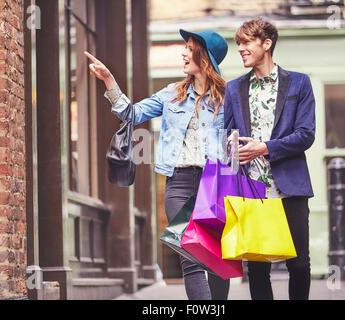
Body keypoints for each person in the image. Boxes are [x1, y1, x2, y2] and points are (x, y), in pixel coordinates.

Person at [85, 29, 230, 300]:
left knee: (216, 261)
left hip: (215, 182)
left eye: (190, 47)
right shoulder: (172, 93)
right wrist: (109, 80)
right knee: (191, 257)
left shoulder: (227, 98)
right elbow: (131, 113)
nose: (183, 52)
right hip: (179, 183)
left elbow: (241, 139)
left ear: (206, 57)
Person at [224, 18, 316, 300]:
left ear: (267, 44)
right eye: (238, 43)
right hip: (251, 189)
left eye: (247, 42)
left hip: (290, 187)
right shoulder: (234, 88)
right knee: (257, 266)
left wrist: (264, 147)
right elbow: (227, 134)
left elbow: (306, 134)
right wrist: (230, 145)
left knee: (298, 264)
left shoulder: (299, 83)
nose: (240, 48)